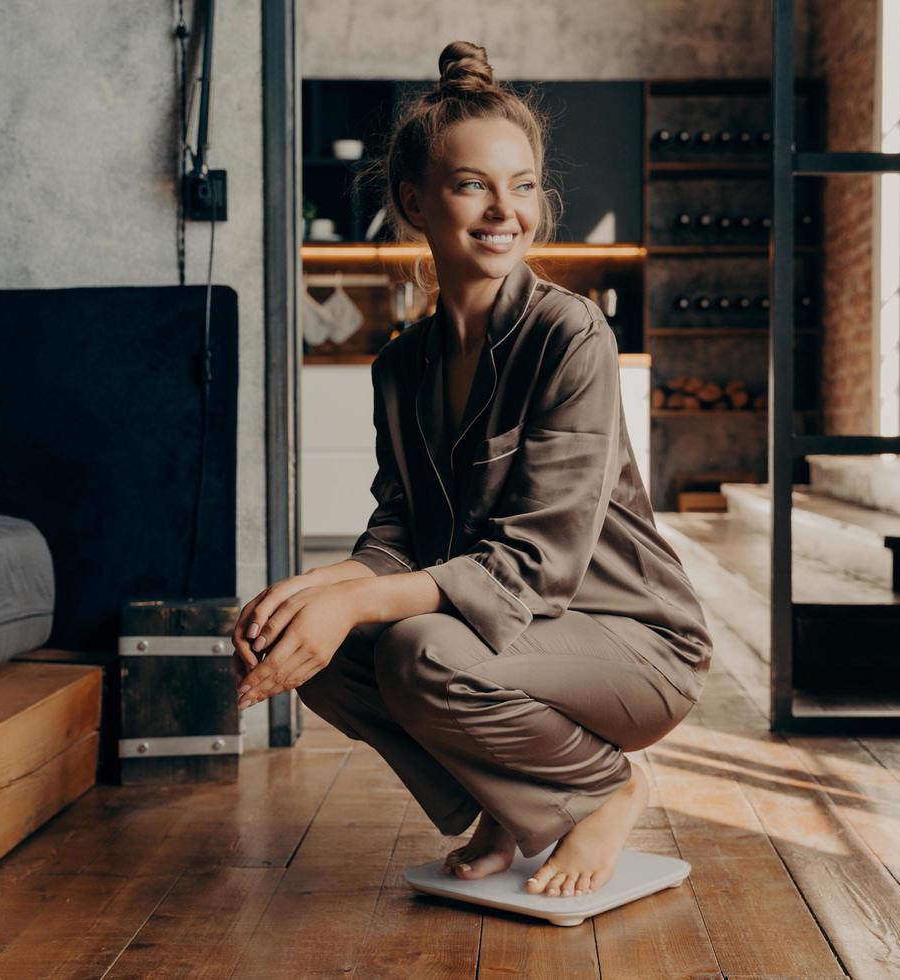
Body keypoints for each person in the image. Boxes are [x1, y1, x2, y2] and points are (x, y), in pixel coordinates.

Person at [231, 40, 713, 900]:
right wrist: (314, 592)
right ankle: (513, 808)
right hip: (520, 642)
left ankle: (606, 789)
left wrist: (353, 600)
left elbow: (535, 565)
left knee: (415, 650)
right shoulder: (402, 365)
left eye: (522, 184)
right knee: (330, 654)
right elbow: (398, 531)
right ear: (414, 200)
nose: (505, 210)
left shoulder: (572, 337)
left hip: (632, 642)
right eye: (472, 184)